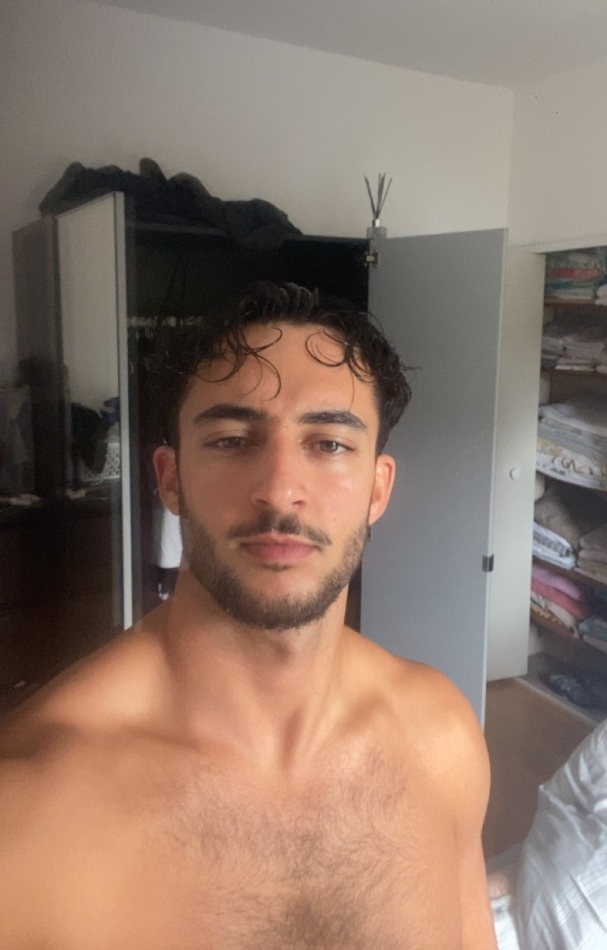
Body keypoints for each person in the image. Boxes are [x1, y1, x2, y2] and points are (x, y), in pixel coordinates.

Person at [0, 281, 497, 949]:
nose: (280, 490)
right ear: (170, 479)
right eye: (232, 439)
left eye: (329, 444)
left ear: (377, 489)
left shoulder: (441, 739)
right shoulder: (30, 807)